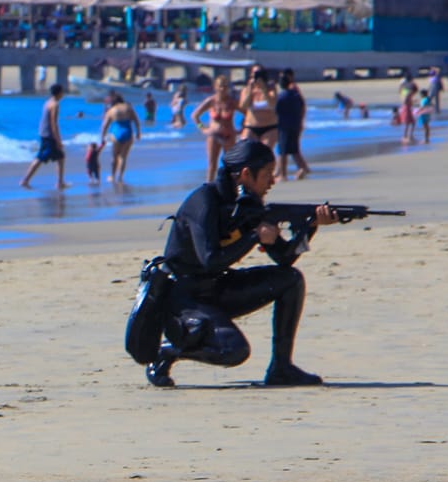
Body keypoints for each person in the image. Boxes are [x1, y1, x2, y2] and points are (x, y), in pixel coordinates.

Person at [142, 140, 335, 389]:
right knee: (234, 351)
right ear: (245, 174)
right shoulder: (204, 201)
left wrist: (309, 229)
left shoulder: (248, 206)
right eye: (266, 175)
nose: (272, 181)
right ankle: (167, 353)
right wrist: (254, 236)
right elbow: (209, 259)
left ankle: (281, 368)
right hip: (183, 299)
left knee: (291, 279)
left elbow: (285, 258)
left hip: (216, 288)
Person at [192, 75, 240, 181]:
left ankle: (233, 189)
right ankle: (209, 188)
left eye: (225, 86)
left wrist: (242, 129)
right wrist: (203, 129)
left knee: (231, 164)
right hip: (213, 135)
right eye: (220, 86)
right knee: (212, 166)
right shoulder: (211, 101)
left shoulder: (232, 102)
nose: (223, 89)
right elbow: (195, 115)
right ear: (215, 87)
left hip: (229, 136)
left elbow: (247, 113)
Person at [20, 83, 66, 190]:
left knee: (60, 157)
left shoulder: (47, 102)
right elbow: (54, 123)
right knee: (41, 157)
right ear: (59, 93)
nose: (63, 94)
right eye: (62, 92)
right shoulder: (55, 104)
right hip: (49, 135)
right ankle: (25, 180)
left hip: (43, 133)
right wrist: (58, 140)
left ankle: (60, 182)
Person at [274, 69, 311, 180]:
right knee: (294, 149)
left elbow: (275, 111)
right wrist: (300, 121)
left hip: (284, 126)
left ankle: (283, 174)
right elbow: (302, 107)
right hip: (295, 125)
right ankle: (303, 168)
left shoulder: (281, 96)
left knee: (283, 151)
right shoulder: (295, 94)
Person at [99, 92, 141, 185]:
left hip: (116, 133)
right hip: (128, 132)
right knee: (123, 157)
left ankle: (112, 176)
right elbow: (136, 121)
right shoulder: (128, 107)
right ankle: (120, 177)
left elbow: (104, 126)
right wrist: (138, 133)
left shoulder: (111, 110)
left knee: (114, 156)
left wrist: (102, 137)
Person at [239, 66, 279, 151]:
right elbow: (243, 106)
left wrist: (264, 89)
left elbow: (273, 104)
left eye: (258, 74)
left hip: (269, 127)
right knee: (245, 153)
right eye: (254, 74)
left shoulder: (271, 89)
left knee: (263, 155)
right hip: (251, 127)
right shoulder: (246, 90)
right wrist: (250, 91)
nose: (256, 77)